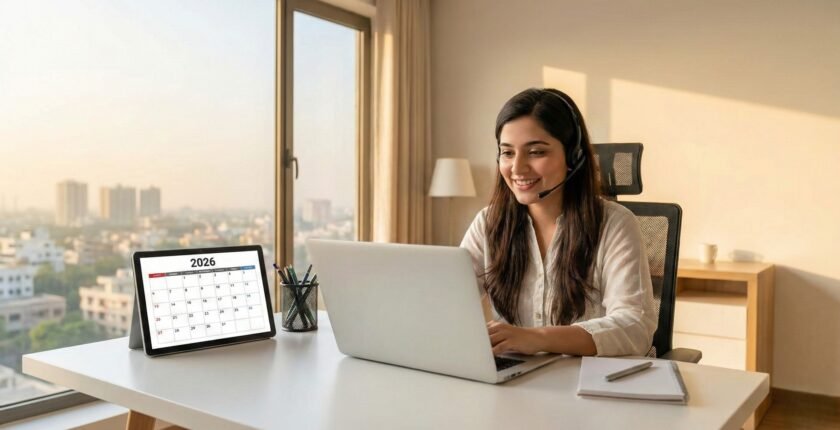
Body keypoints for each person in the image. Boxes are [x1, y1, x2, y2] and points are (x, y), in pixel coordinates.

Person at [460, 88, 657, 357]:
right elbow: (447, 302)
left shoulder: (615, 224)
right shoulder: (487, 223)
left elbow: (635, 327)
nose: (517, 168)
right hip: (517, 383)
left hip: (591, 385)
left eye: (536, 152)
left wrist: (537, 338)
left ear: (573, 157)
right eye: (507, 153)